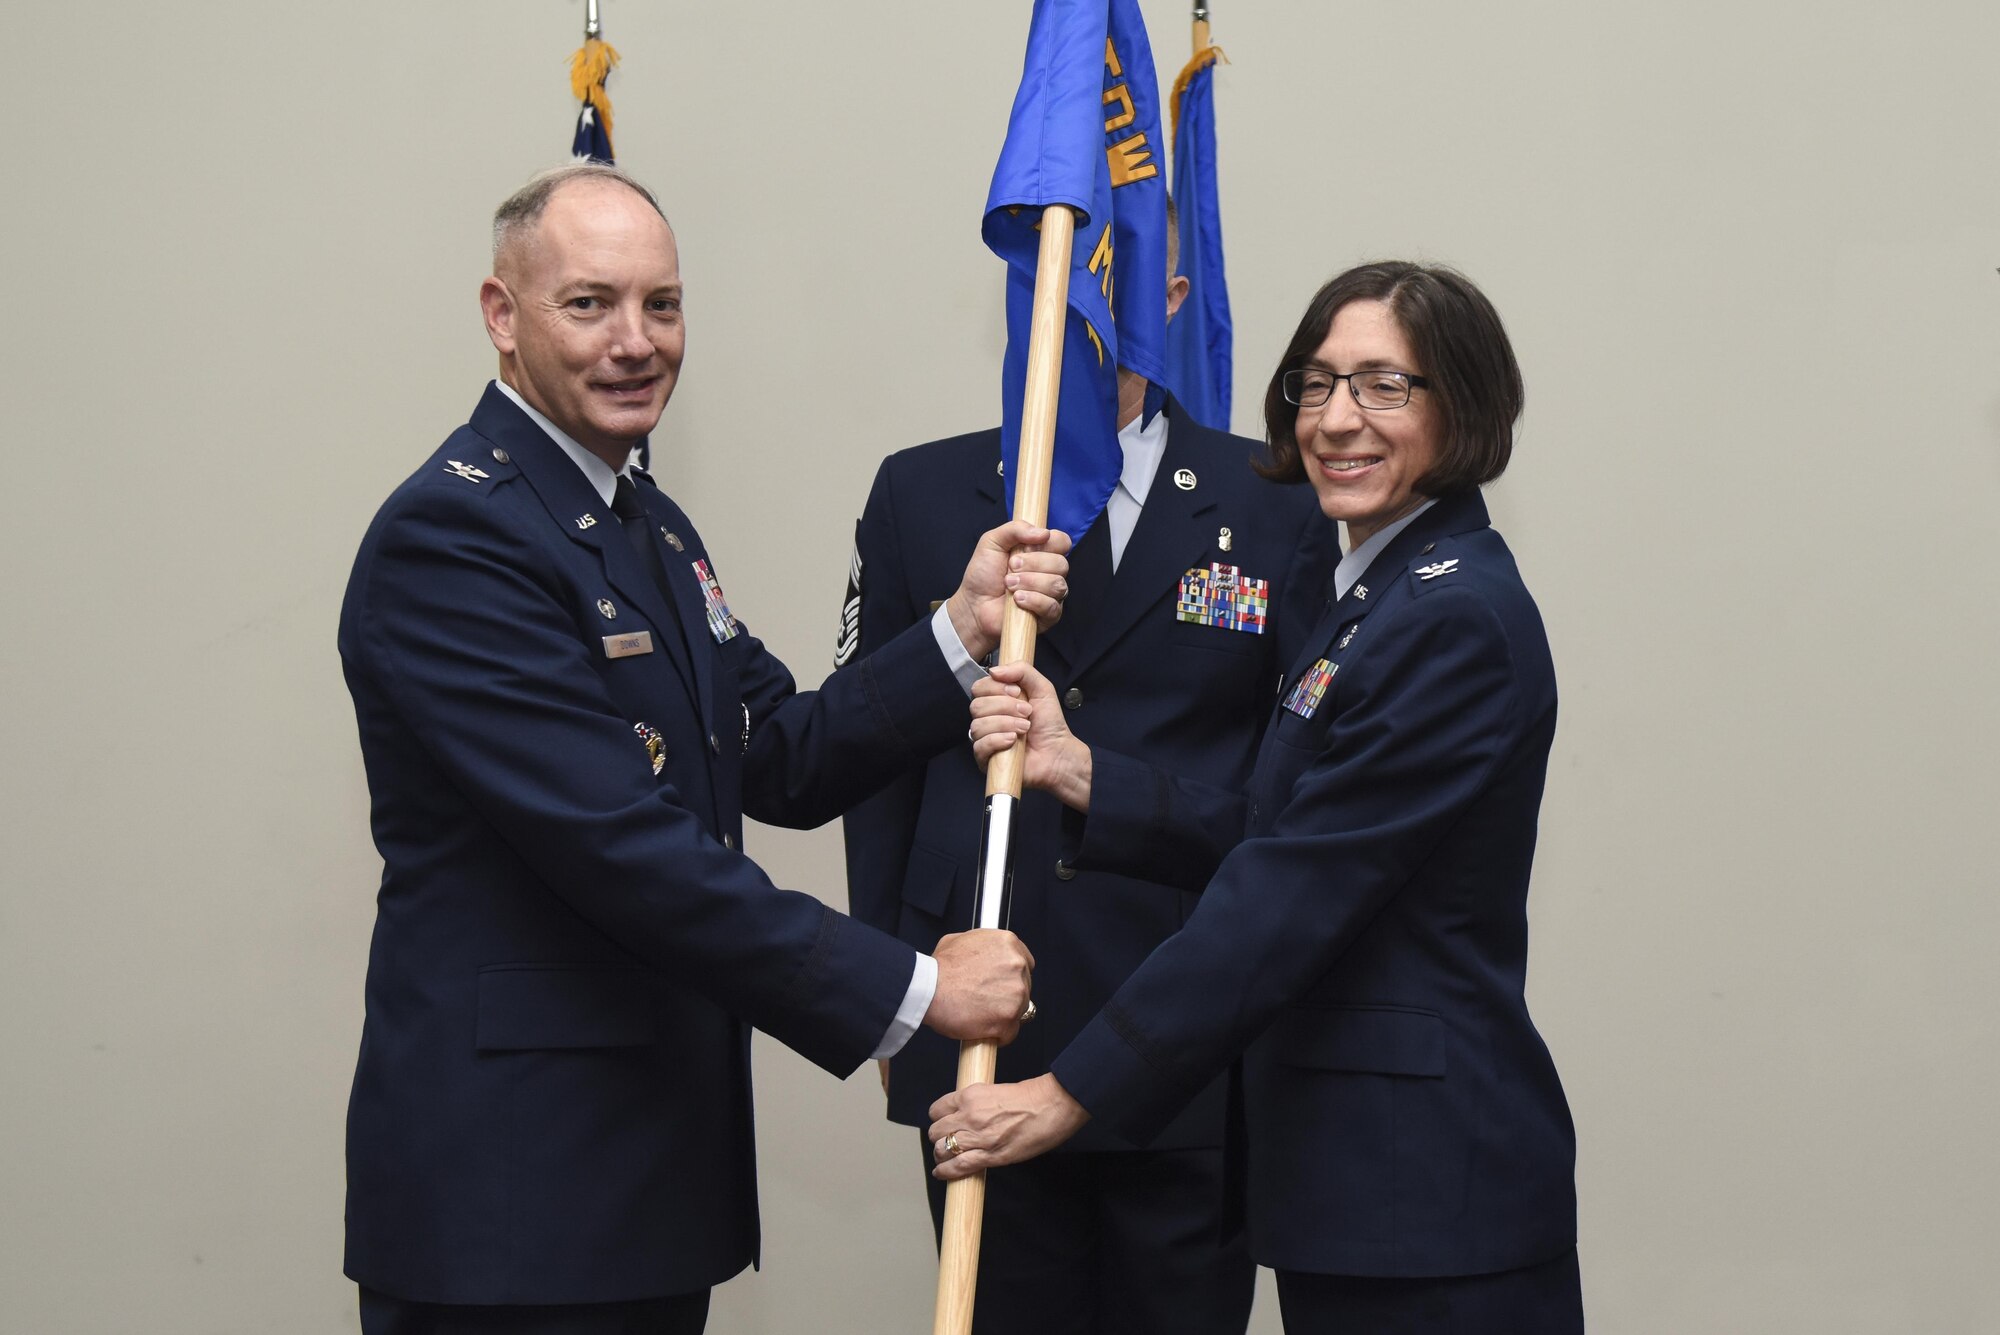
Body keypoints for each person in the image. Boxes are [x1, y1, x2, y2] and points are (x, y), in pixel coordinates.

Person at [337, 162, 1070, 1334]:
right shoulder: (456, 538)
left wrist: (958, 632)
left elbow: (772, 750)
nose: (636, 341)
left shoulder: (642, 520)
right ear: (500, 316)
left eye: (662, 304)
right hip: (514, 1202)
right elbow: (624, 848)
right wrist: (919, 988)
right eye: (589, 304)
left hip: (637, 1183)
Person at [934, 262, 1582, 1333]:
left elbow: (1291, 889)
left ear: (1459, 404)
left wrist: (1065, 1093)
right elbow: (1278, 832)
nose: (1334, 420)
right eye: (1313, 384)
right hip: (1358, 1182)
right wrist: (1078, 767)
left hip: (1427, 1194)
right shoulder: (1368, 592)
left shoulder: (1448, 617)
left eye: (1383, 386)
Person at [838, 208, 1338, 1334]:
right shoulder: (921, 495)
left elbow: (1292, 798)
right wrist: (887, 991)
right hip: (981, 1028)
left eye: (1114, 257)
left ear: (1171, 287)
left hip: (1184, 1035)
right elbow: (871, 768)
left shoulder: (1273, 499)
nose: (1080, 285)